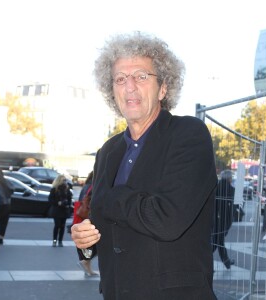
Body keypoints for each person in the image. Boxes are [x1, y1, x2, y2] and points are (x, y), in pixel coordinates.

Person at [71, 31, 217, 300]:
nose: (129, 87)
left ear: (163, 87)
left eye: (140, 76)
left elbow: (167, 220)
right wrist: (86, 241)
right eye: (120, 79)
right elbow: (105, 225)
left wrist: (109, 198)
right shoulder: (108, 152)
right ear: (111, 90)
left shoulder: (188, 134)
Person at [73, 172, 98, 277]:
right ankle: (86, 263)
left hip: (81, 217)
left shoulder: (85, 187)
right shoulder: (93, 187)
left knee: (86, 243)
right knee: (94, 243)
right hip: (89, 217)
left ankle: (88, 267)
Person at [211, 169, 235, 269]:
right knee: (218, 242)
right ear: (229, 178)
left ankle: (227, 262)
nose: (232, 178)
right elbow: (233, 206)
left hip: (214, 219)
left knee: (218, 242)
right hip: (225, 219)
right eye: (231, 177)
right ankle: (225, 263)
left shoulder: (215, 187)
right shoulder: (231, 189)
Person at [48, 174, 72, 247]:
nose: (65, 182)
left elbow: (70, 199)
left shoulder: (67, 189)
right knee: (57, 225)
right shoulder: (54, 189)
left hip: (64, 210)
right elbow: (50, 199)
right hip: (56, 210)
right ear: (59, 181)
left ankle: (60, 241)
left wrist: (67, 203)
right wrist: (58, 202)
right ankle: (55, 240)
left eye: (65, 180)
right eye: (63, 180)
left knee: (62, 226)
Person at [0, 167, 14, 245]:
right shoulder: (6, 181)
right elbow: (12, 189)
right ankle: (1, 238)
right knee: (4, 223)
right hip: (6, 205)